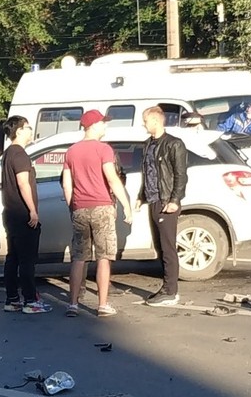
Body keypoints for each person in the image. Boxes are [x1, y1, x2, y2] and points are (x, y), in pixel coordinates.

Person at [61, 110, 134, 317]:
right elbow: (111, 178)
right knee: (104, 256)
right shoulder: (104, 149)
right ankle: (102, 305)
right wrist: (125, 205)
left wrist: (72, 206)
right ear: (93, 125)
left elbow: (67, 184)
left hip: (79, 208)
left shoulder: (71, 152)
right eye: (103, 123)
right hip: (102, 206)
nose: (106, 127)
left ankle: (73, 304)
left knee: (79, 257)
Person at [138, 106, 188, 306]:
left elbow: (180, 175)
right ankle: (166, 287)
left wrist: (174, 200)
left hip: (166, 200)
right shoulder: (148, 144)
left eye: (146, 120)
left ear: (156, 121)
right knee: (160, 246)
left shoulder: (174, 144)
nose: (144, 124)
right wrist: (141, 196)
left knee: (168, 247)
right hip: (153, 200)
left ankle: (171, 290)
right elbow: (148, 172)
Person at [0, 116, 49, 314]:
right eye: (28, 127)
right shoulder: (19, 154)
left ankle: (12, 299)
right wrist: (32, 210)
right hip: (22, 214)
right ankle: (30, 300)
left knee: (13, 258)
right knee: (27, 260)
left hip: (11, 213)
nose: (31, 131)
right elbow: (23, 182)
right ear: (19, 131)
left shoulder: (8, 153)